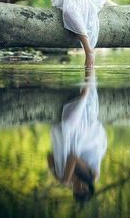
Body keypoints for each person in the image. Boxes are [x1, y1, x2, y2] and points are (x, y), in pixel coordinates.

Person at [47, 68, 107, 203]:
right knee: (73, 121)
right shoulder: (92, 176)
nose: (79, 187)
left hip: (73, 139)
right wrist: (66, 178)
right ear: (89, 188)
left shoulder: (68, 179)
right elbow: (73, 157)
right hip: (88, 137)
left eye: (77, 190)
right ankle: (89, 59)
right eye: (83, 189)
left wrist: (56, 174)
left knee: (68, 125)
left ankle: (82, 94)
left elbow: (49, 156)